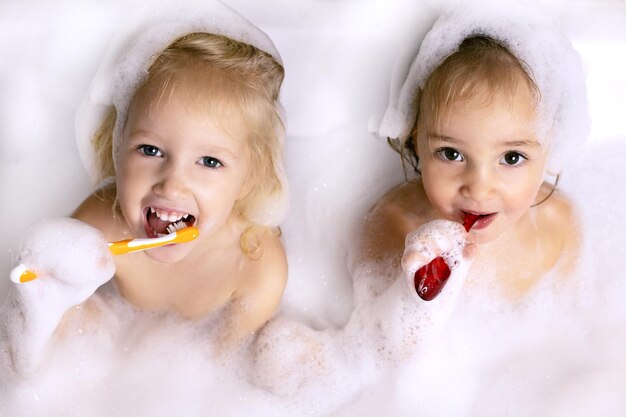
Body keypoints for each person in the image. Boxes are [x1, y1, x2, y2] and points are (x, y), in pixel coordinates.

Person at [1, 0, 288, 379]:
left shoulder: (256, 269)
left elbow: (222, 373)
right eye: (150, 150)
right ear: (116, 149)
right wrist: (42, 311)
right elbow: (52, 327)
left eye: (210, 161)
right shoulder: (99, 226)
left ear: (248, 179)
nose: (172, 182)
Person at [355, 1, 589, 308]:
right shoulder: (392, 227)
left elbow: (574, 324)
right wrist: (411, 300)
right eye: (451, 153)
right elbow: (383, 343)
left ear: (552, 148)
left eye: (512, 158)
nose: (478, 188)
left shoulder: (557, 224)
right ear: (414, 136)